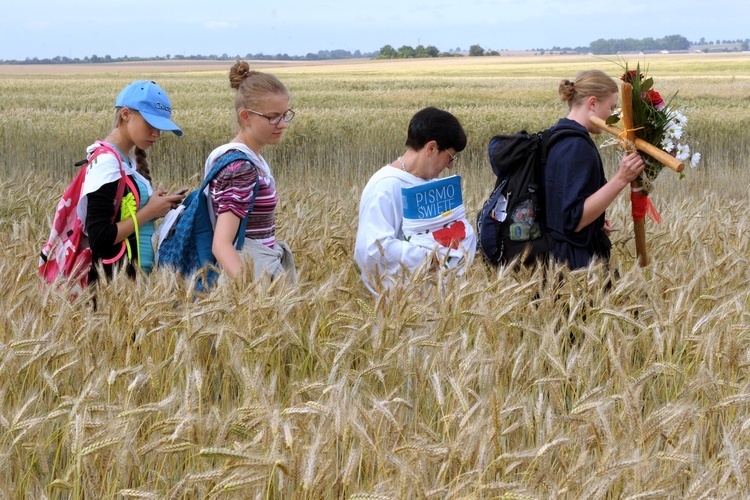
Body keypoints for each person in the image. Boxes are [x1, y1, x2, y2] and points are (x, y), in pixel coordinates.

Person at [354, 106, 475, 293]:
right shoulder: (386, 186)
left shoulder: (429, 182)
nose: (451, 166)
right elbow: (371, 250)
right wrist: (429, 258)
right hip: (397, 308)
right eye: (450, 157)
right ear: (431, 148)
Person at [77, 80, 186, 285]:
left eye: (160, 127)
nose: (156, 134)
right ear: (126, 114)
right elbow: (99, 239)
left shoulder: (126, 161)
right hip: (114, 287)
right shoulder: (107, 164)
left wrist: (154, 204)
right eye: (150, 124)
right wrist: (150, 212)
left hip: (134, 284)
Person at [203, 61, 296, 283]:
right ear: (245, 117)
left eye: (286, 115)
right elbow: (222, 244)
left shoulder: (250, 160)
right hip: (250, 277)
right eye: (273, 116)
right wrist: (252, 296)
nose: (282, 124)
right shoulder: (241, 168)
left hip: (259, 269)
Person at [544, 70, 646, 269]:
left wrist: (596, 221)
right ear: (592, 103)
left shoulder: (555, 135)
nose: (613, 115)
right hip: (576, 264)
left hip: (554, 256)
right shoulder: (577, 147)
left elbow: (561, 204)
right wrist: (621, 178)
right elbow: (574, 220)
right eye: (611, 107)